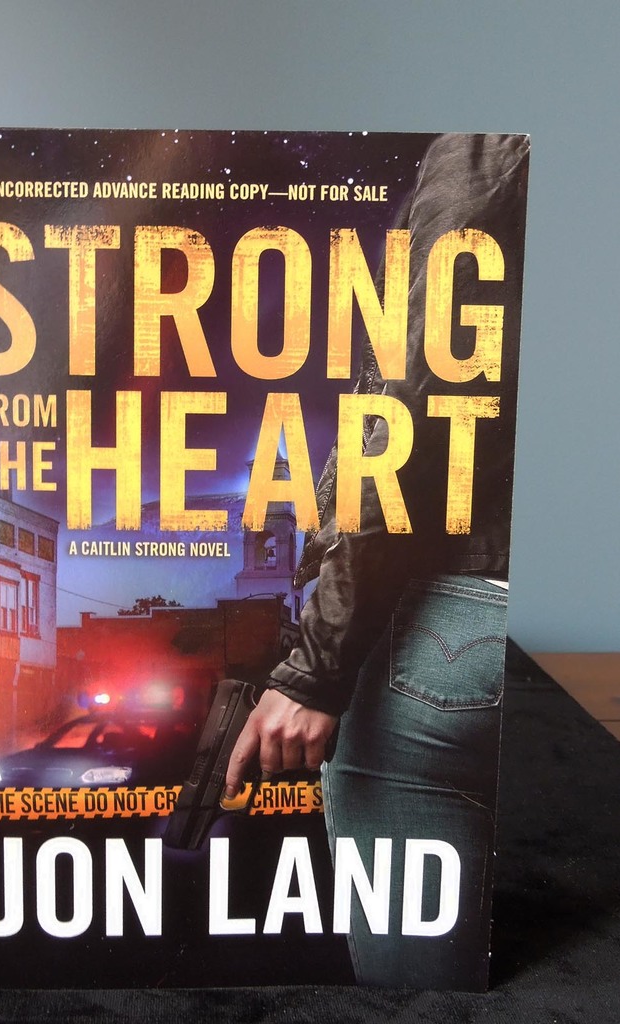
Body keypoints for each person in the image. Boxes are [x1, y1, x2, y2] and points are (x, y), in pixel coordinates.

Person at [225, 133, 530, 990]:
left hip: (468, 612)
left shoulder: (491, 150)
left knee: (417, 987)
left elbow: (411, 410)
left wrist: (314, 673)